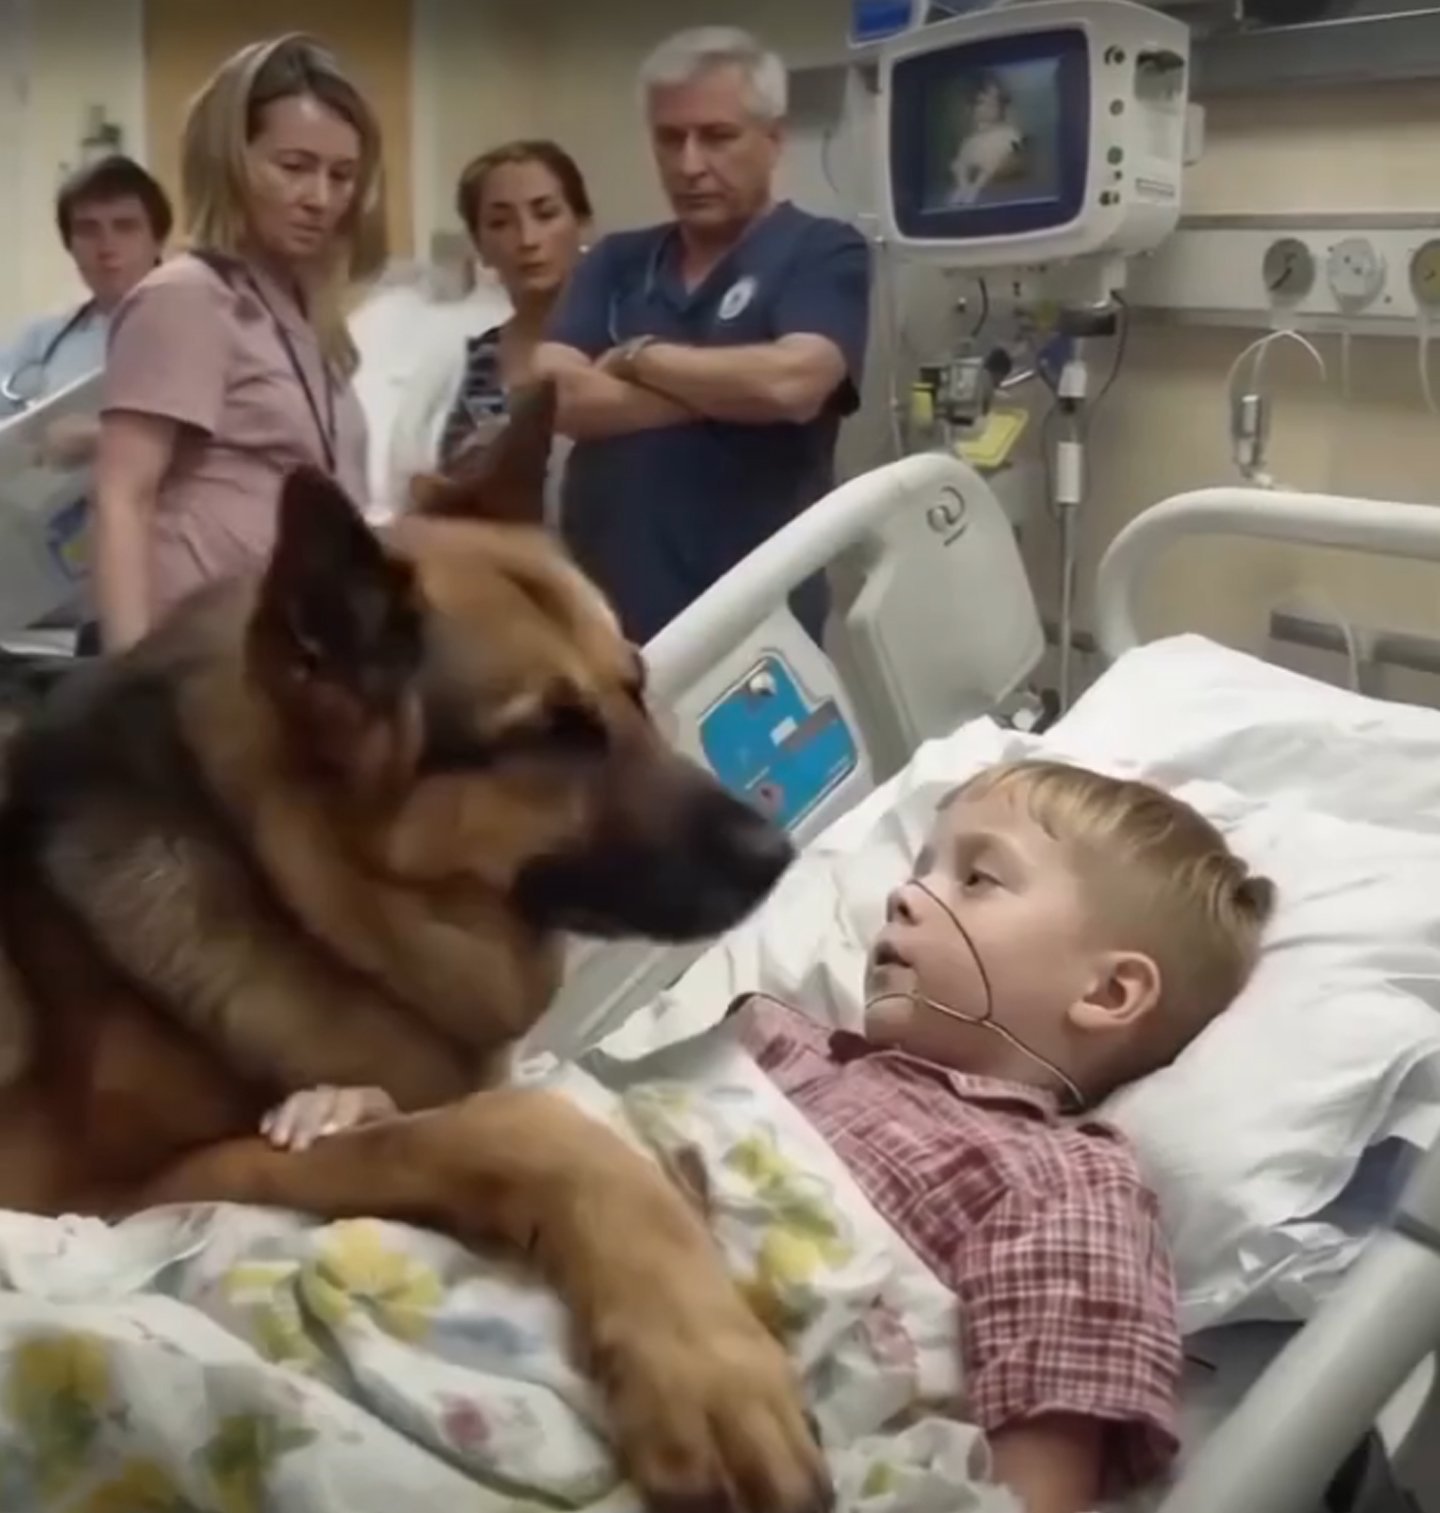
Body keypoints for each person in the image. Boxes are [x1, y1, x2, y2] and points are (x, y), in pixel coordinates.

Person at [262, 756, 1275, 1513]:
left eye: (979, 878)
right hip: (501, 1266)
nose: (907, 890)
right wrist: (398, 1134)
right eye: (922, 862)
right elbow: (580, 1138)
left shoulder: (1062, 1177)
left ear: (1108, 990)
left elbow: (1033, 1482)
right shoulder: (774, 1039)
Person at [534, 27, 873, 645]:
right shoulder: (616, 261)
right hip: (608, 629)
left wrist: (638, 357)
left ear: (772, 141)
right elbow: (553, 393)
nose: (690, 164)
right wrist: (723, 395)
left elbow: (791, 384)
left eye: (717, 137)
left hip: (758, 631)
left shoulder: (820, 251)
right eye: (671, 139)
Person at [92, 33, 386, 652]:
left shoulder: (307, 312)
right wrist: (131, 682)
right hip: (199, 657)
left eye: (342, 175)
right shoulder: (188, 296)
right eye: (294, 168)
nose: (321, 199)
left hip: (290, 655)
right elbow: (124, 495)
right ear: (232, 160)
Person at [386, 140, 593, 521]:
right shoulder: (456, 368)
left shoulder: (615, 353)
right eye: (500, 223)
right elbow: (405, 483)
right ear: (480, 244)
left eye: (545, 214)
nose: (527, 239)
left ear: (581, 224)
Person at [0, 155, 172, 460]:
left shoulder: (202, 328)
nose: (107, 246)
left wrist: (101, 439)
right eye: (88, 229)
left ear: (157, 239)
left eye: (125, 226)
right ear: (70, 245)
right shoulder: (41, 338)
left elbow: (239, 436)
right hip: (46, 505)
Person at [949, 73, 1027, 208]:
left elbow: (1016, 145)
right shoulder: (972, 137)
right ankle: (963, 187)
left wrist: (1014, 151)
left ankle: (975, 189)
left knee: (993, 161)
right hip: (977, 156)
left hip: (996, 161)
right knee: (958, 164)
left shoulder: (1007, 131)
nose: (989, 107)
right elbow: (965, 153)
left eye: (994, 102)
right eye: (982, 103)